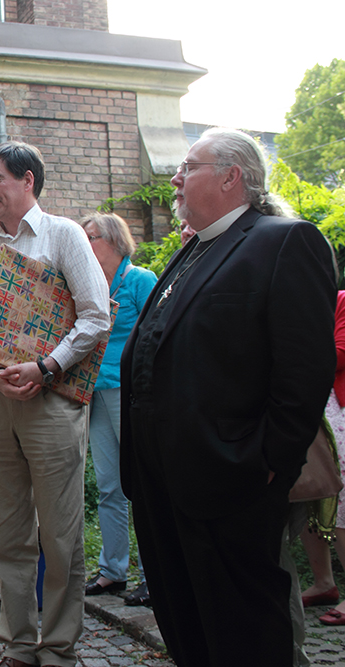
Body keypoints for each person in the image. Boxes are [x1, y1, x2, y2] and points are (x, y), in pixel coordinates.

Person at [119, 127, 337, 667]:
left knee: (244, 633)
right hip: (163, 485)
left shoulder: (283, 241)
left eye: (189, 166)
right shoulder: (193, 248)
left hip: (231, 479)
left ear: (231, 176)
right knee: (189, 628)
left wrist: (269, 462)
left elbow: (305, 368)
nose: (175, 176)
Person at [0, 141, 112, 667]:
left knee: (61, 531)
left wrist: (48, 367)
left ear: (28, 181)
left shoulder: (64, 235)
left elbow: (95, 317)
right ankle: (19, 646)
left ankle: (60, 648)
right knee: (4, 532)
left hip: (53, 399)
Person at [77, 213, 157, 607]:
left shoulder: (140, 280)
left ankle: (155, 574)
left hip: (130, 392)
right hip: (94, 391)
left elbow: (159, 333)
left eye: (90, 237)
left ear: (113, 240)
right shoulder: (86, 284)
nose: (84, 243)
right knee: (109, 485)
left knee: (142, 483)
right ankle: (113, 570)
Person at [299, 289, 345, 626]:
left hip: (337, 411)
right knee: (307, 493)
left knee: (341, 501)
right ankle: (324, 582)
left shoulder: (341, 301)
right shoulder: (291, 301)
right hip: (306, 410)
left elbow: (339, 354)